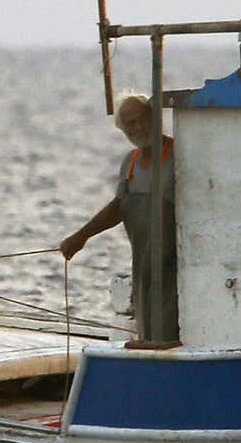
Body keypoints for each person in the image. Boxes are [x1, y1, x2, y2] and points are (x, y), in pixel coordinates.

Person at [59, 94, 178, 342]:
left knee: (170, 330)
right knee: (147, 329)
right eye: (129, 125)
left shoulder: (177, 155)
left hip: (176, 265)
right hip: (144, 266)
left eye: (140, 120)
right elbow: (119, 207)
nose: (136, 129)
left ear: (155, 118)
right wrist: (81, 237)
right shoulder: (130, 162)